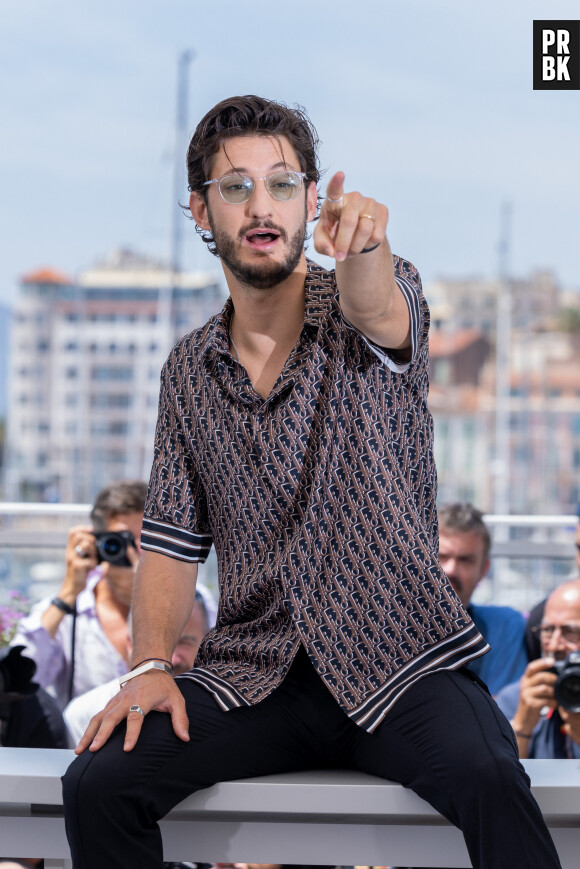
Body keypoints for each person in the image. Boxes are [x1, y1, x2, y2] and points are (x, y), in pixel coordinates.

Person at [62, 95, 561, 869]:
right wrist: (153, 667)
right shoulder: (189, 369)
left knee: (491, 774)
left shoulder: (375, 305)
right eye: (236, 187)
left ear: (310, 199)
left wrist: (364, 249)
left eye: (283, 184)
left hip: (402, 660)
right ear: (201, 208)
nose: (262, 206)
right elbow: (170, 537)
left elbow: (379, 307)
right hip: (258, 674)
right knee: (98, 783)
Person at [12, 480, 147, 707]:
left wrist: (147, 598)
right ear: (98, 543)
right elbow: (19, 677)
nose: (136, 550)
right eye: (120, 541)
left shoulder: (188, 601)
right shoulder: (72, 608)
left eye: (147, 538)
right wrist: (68, 593)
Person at [63, 587, 214, 746]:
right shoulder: (82, 715)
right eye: (153, 645)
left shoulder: (226, 714)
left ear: (207, 644)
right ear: (130, 645)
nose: (171, 660)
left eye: (184, 642)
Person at [438, 502, 528, 694]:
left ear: (484, 569)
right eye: (441, 556)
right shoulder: (390, 627)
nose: (450, 570)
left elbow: (503, 711)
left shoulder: (504, 626)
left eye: (465, 560)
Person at [496, 578, 580, 759]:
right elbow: (498, 782)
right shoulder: (516, 698)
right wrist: (521, 726)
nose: (555, 645)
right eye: (548, 630)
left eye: (571, 632)